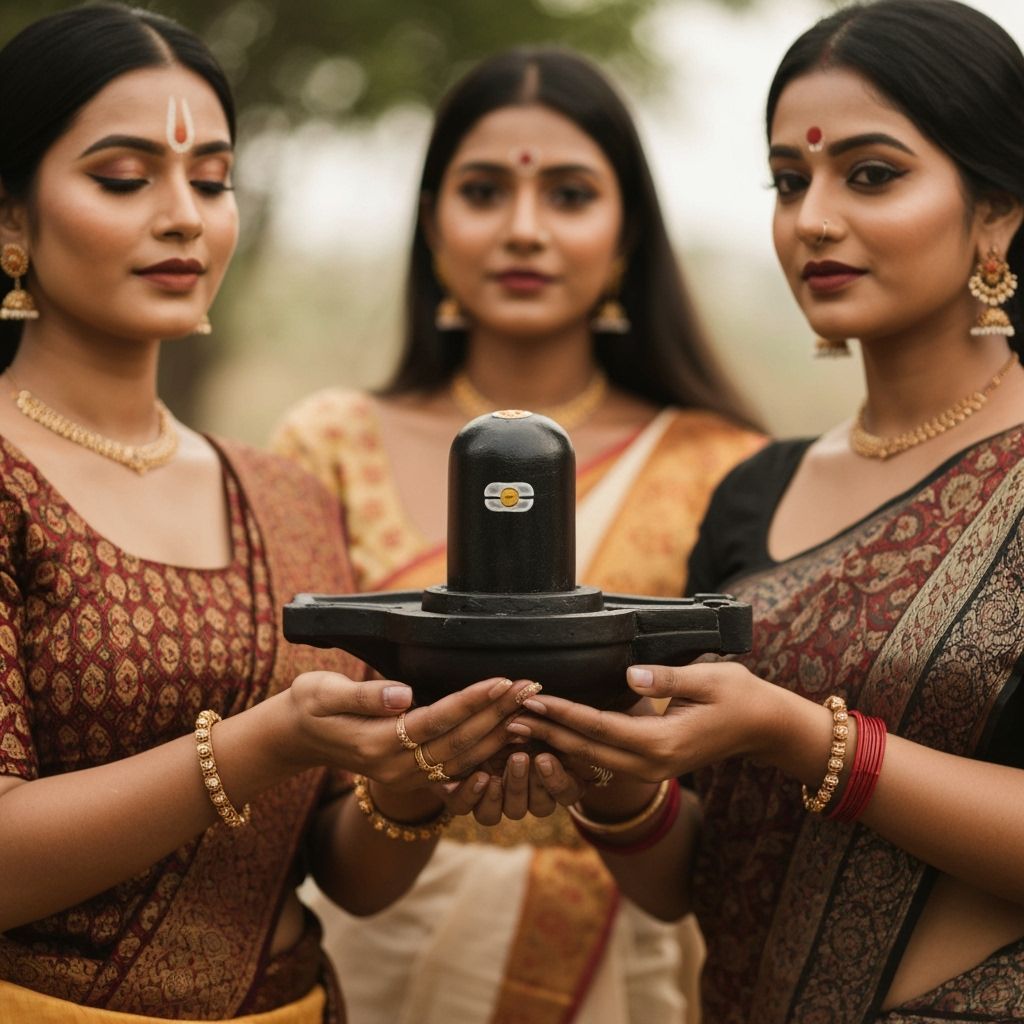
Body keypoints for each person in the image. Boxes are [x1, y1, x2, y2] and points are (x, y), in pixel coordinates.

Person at [0, 7, 557, 1022]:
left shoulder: (285, 495)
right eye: (124, 178)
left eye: (211, 181)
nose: (184, 216)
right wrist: (264, 743)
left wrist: (424, 771)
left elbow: (349, 876)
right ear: (10, 222)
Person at [514, 2, 1024, 1021]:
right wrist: (609, 774)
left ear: (998, 215)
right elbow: (691, 883)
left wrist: (806, 739)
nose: (813, 219)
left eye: (869, 175)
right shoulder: (755, 490)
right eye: (790, 182)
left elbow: (788, 741)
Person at [271, 46, 763, 1024]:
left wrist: (615, 783)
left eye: (571, 195)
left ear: (627, 236)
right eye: (484, 190)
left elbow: (744, 822)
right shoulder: (323, 446)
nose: (524, 230)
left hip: (631, 960)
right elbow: (301, 799)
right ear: (431, 225)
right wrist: (410, 780)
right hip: (381, 949)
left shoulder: (724, 465)